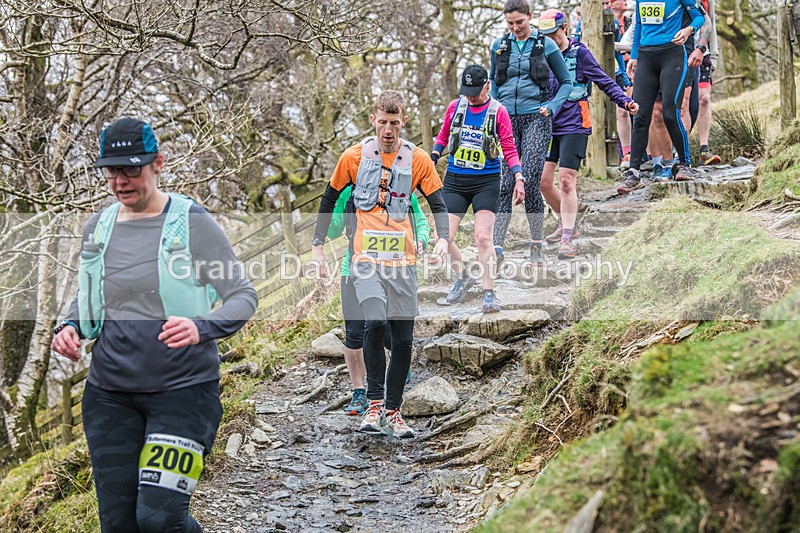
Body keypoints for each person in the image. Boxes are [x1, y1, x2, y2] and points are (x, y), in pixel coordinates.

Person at [51, 117, 258, 532]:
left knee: (160, 521)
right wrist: (70, 324)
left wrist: (202, 326)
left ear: (158, 163)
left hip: (183, 395)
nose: (121, 180)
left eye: (132, 168)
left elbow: (243, 297)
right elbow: (91, 294)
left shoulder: (193, 222)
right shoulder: (99, 227)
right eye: (112, 170)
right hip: (109, 398)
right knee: (119, 524)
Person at [311, 91, 450, 439]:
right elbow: (328, 199)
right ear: (373, 120)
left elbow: (438, 203)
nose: (388, 130)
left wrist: (444, 239)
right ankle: (374, 405)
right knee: (373, 321)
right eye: (382, 122)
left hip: (402, 264)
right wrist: (316, 247)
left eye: (394, 122)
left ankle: (394, 410)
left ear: (403, 121)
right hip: (364, 262)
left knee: (403, 341)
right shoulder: (353, 157)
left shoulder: (418, 159)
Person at [537, 10, 639, 259]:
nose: (550, 39)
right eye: (545, 35)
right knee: (543, 182)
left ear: (564, 28)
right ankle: (568, 222)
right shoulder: (539, 54)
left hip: (574, 122)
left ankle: (567, 237)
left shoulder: (579, 53)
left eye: (554, 33)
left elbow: (604, 80)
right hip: (547, 123)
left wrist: (625, 101)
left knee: (567, 180)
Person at [326, 185, 430, 415]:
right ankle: (359, 392)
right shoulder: (349, 192)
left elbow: (421, 224)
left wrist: (421, 240)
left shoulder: (402, 189)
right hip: (354, 269)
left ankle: (397, 364)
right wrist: (327, 205)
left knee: (384, 327)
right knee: (354, 333)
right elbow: (332, 231)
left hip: (395, 270)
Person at [430, 64, 524, 313]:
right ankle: (462, 278)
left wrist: (518, 176)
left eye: (475, 91)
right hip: (455, 181)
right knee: (444, 237)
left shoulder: (498, 111)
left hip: (486, 181)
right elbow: (442, 136)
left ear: (487, 86)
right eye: (466, 90)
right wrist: (433, 157)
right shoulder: (455, 107)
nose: (470, 96)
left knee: (483, 237)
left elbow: (509, 148)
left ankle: (489, 293)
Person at [490, 0, 573, 264]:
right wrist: (494, 107)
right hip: (505, 120)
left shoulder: (545, 45)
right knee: (504, 184)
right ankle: (497, 247)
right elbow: (492, 80)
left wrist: (552, 105)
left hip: (537, 118)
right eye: (510, 24)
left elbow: (567, 83)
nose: (515, 28)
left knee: (531, 181)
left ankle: (536, 244)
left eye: (520, 23)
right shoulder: (499, 46)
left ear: (530, 17)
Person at [618, 0, 704, 194]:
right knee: (639, 115)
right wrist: (633, 56)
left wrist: (689, 29)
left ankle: (683, 163)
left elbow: (700, 17)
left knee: (669, 113)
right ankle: (634, 172)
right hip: (646, 56)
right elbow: (639, 24)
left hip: (671, 54)